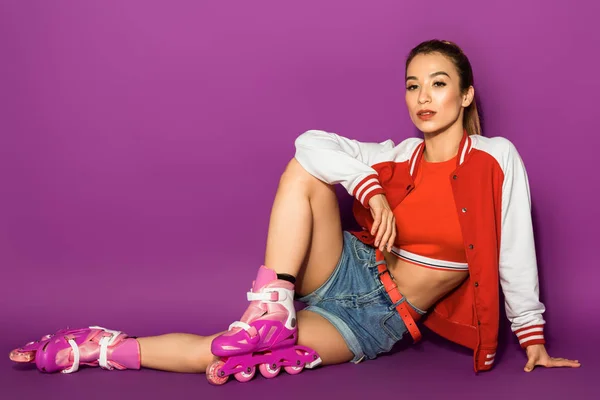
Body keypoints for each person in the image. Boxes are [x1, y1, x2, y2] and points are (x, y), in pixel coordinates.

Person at [9, 39, 580, 383]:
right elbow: (310, 141)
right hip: (350, 265)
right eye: (413, 86)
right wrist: (370, 188)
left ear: (466, 95)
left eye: (438, 84)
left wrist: (532, 337)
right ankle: (271, 304)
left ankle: (96, 348)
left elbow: (514, 248)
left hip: (378, 319)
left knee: (236, 351)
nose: (424, 98)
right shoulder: (397, 156)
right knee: (305, 169)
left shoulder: (496, 160)